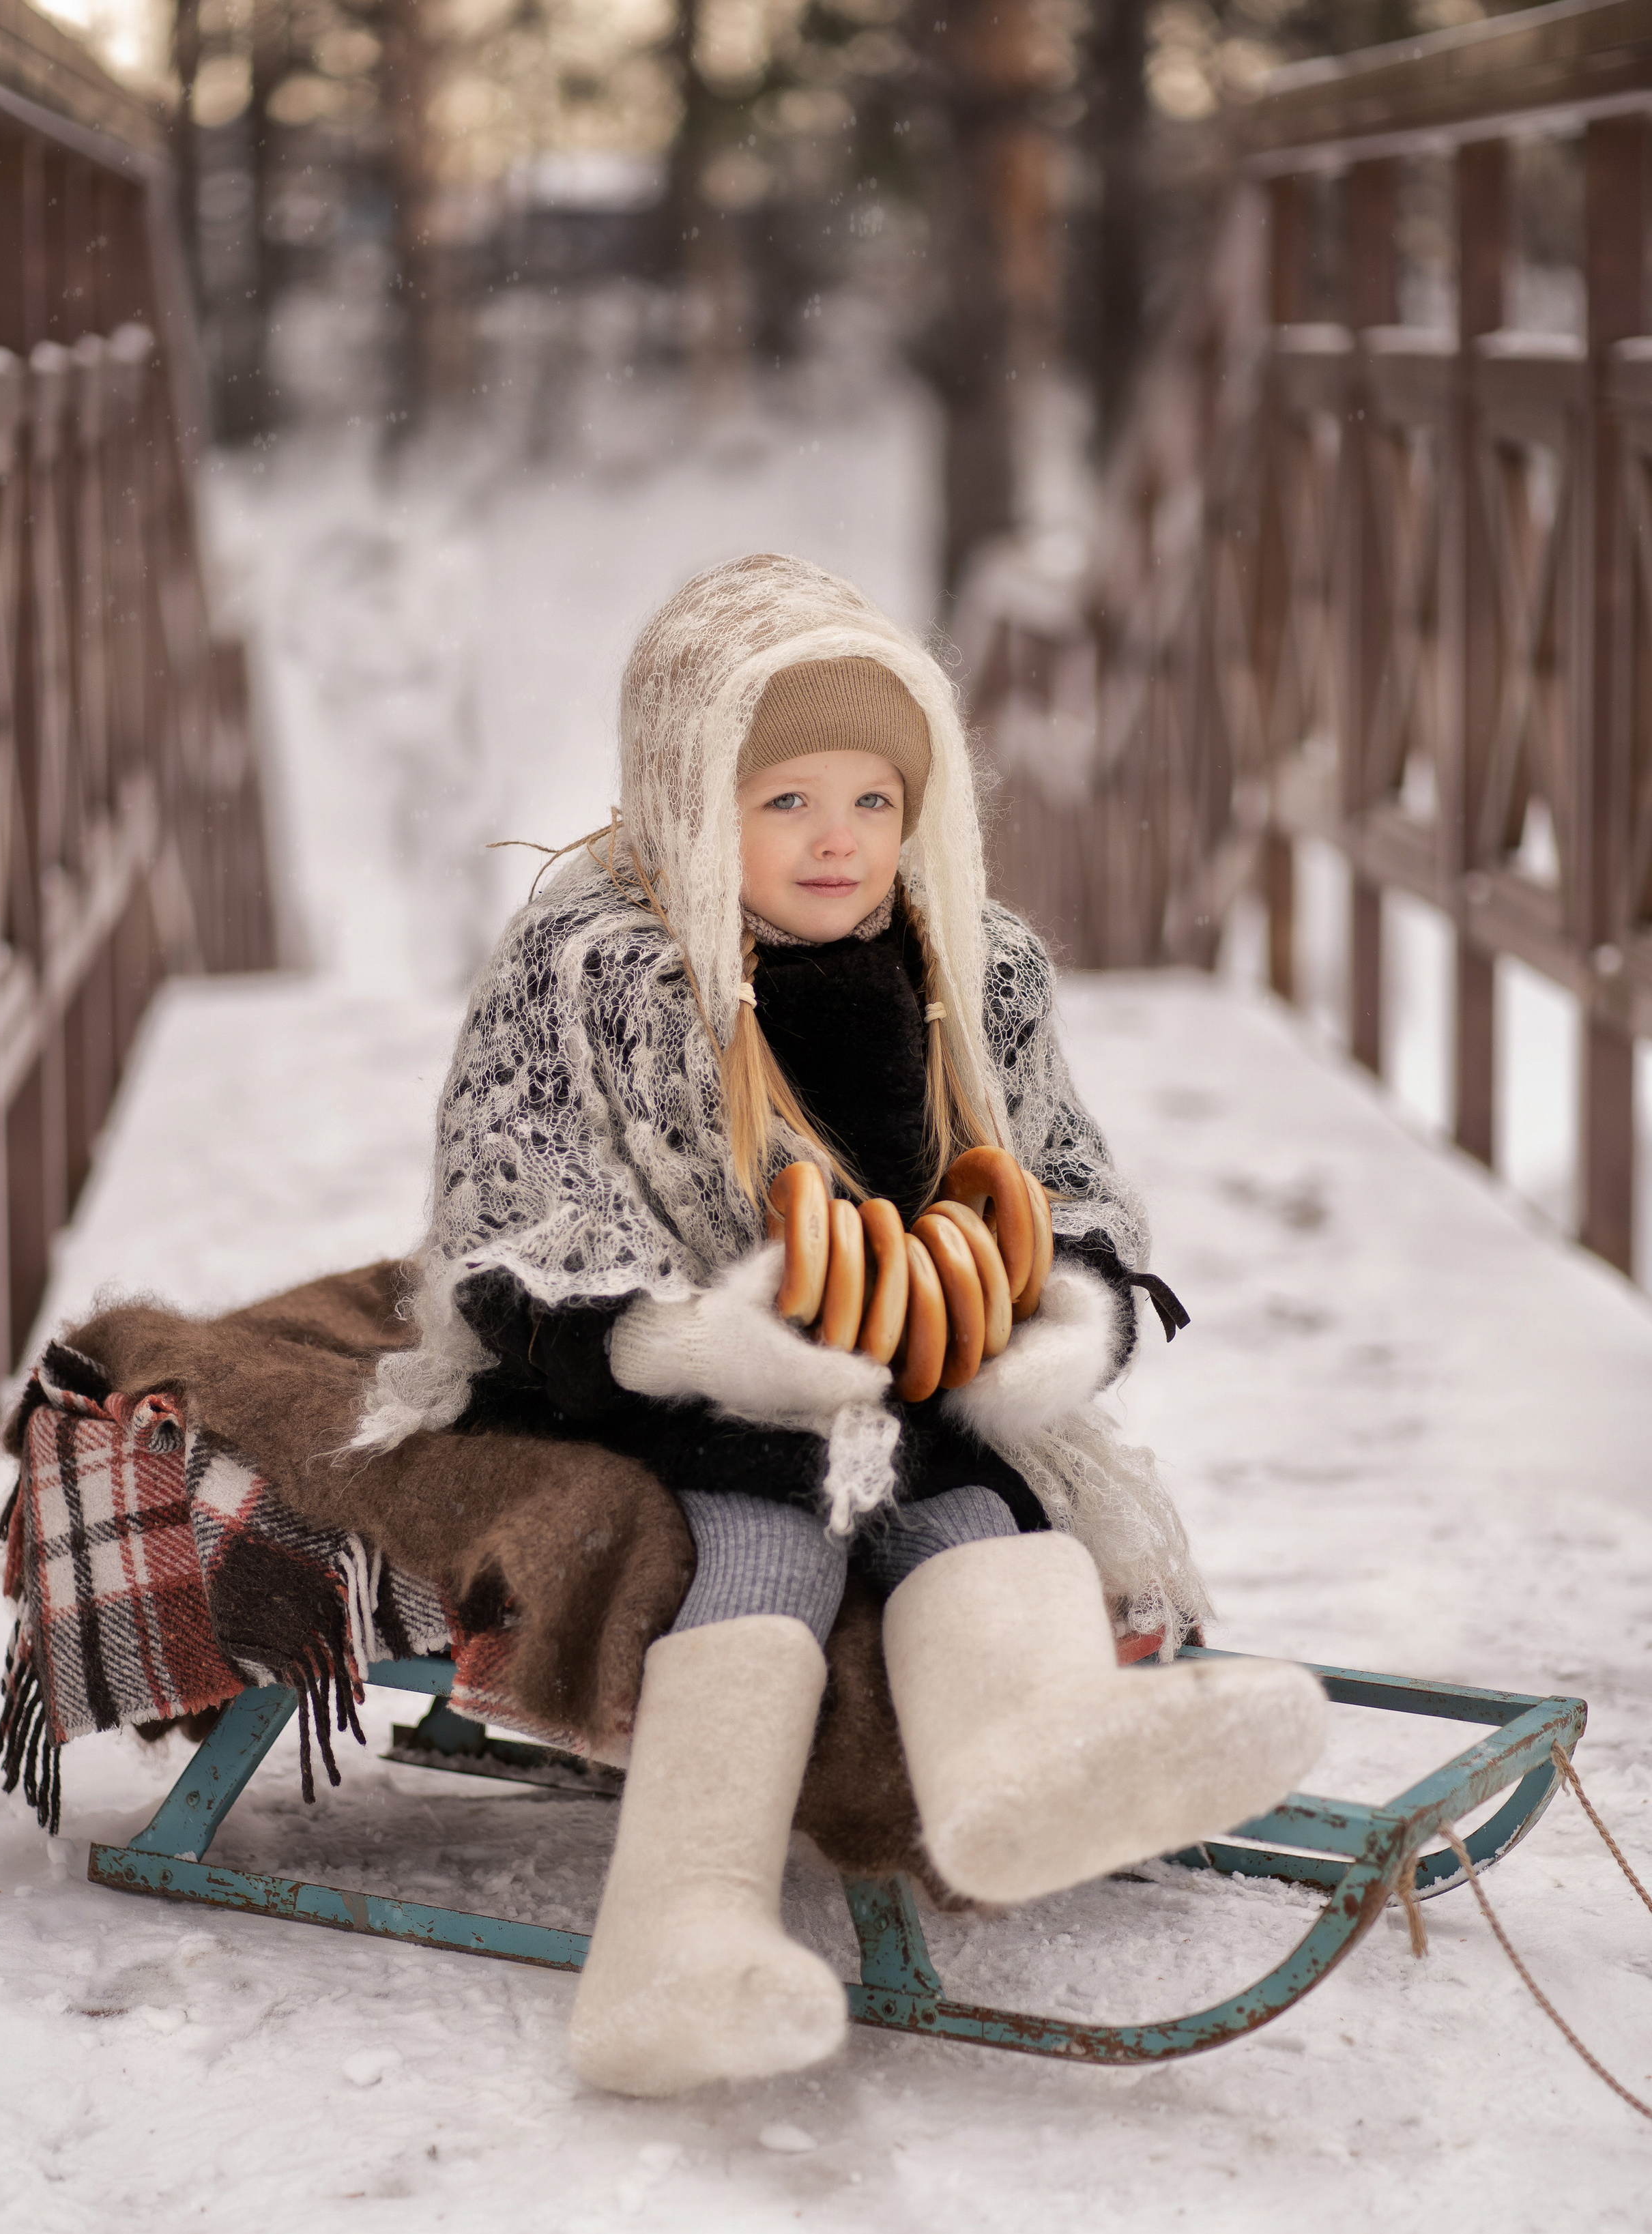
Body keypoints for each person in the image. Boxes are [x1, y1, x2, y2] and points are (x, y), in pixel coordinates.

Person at [357, 553, 1323, 2096]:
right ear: (690, 796)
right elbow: (520, 1204)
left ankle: (1027, 1769)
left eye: (873, 801)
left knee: (975, 1499)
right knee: (778, 1531)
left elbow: (1058, 1171)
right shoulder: (588, 969)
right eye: (786, 800)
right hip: (665, 1367)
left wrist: (1059, 1313)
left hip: (911, 1350)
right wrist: (675, 1343)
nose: (836, 841)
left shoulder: (971, 956)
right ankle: (675, 1947)